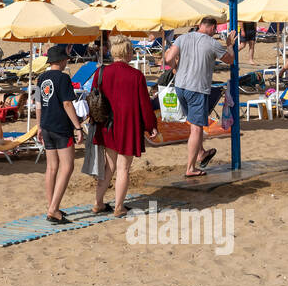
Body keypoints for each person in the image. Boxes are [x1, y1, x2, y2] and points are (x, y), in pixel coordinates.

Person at [163, 15, 235, 177]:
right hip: (197, 88)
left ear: (200, 25)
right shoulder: (212, 43)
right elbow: (230, 60)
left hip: (180, 86)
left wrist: (175, 67)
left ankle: (201, 152)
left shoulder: (183, 38)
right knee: (196, 128)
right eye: (215, 30)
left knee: (193, 123)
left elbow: (168, 59)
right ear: (212, 28)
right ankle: (190, 168)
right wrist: (229, 46)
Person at [93, 36, 157, 217]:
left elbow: (93, 98)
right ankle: (119, 207)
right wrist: (151, 126)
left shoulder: (101, 72)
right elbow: (145, 105)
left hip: (107, 124)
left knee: (109, 166)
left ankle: (98, 203)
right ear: (127, 52)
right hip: (128, 125)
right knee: (123, 168)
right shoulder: (136, 76)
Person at [37, 45, 84, 224]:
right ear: (62, 60)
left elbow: (38, 104)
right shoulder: (63, 78)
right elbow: (67, 104)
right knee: (67, 166)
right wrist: (78, 127)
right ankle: (53, 209)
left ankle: (52, 206)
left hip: (46, 125)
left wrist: (39, 125)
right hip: (60, 126)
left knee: (51, 168)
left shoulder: (41, 78)